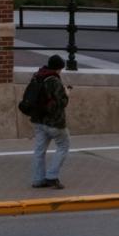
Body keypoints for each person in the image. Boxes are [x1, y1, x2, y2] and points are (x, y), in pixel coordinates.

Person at [29, 54, 70, 189]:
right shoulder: (54, 81)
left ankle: (37, 180)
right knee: (63, 146)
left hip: (38, 120)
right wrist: (67, 94)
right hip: (54, 122)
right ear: (58, 68)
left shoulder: (38, 76)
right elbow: (60, 103)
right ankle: (52, 176)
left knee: (39, 150)